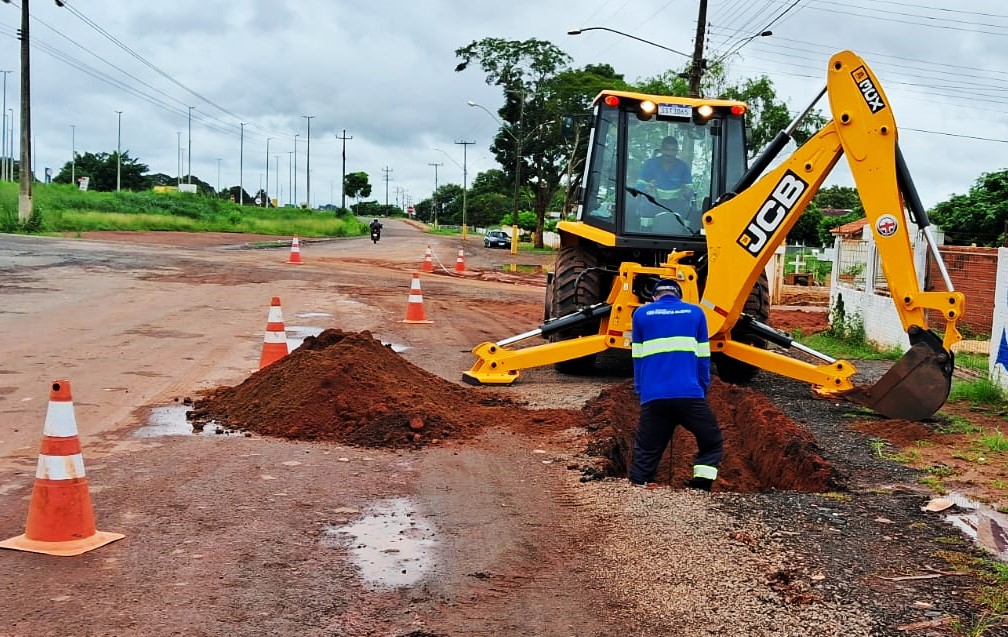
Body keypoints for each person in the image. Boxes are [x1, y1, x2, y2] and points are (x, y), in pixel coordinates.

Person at [629, 278, 723, 491]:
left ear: (655, 297)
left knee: (646, 450)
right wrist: (702, 389)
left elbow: (637, 359)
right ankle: (700, 486)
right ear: (679, 296)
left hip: (654, 397)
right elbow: (703, 358)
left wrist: (641, 390)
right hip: (689, 395)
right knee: (712, 441)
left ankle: (637, 488)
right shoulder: (696, 313)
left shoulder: (641, 315)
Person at [635, 136, 693, 213]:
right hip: (652, 204)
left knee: (690, 212)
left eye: (673, 150)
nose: (669, 153)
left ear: (676, 151)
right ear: (661, 149)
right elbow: (638, 186)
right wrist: (646, 188)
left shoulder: (683, 167)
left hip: (676, 206)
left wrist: (687, 192)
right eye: (667, 149)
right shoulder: (649, 164)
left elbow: (690, 189)